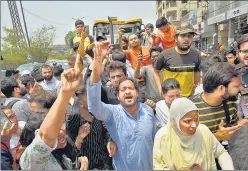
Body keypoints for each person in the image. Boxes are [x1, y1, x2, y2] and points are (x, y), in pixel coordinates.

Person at [87, 41, 156, 170]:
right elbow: (94, 107)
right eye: (123, 90)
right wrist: (95, 74)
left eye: (130, 88)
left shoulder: (148, 111)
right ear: (117, 96)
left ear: (137, 93)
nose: (127, 91)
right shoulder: (113, 112)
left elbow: (153, 139)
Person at [20, 68, 88, 170]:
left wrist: (79, 162)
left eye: (61, 125)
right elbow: (46, 136)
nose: (61, 131)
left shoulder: (60, 149)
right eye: (55, 128)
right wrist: (65, 93)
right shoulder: (32, 160)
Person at [153, 97, 234, 170]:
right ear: (175, 120)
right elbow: (158, 166)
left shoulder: (203, 131)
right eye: (188, 121)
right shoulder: (163, 136)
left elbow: (221, 153)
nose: (194, 125)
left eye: (196, 119)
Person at [190, 62, 247, 141]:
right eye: (237, 86)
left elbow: (230, 127)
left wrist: (239, 125)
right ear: (221, 89)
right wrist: (217, 137)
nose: (241, 88)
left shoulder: (230, 103)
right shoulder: (190, 108)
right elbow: (185, 142)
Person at [67, 86, 117, 170]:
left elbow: (105, 131)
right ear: (80, 103)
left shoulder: (97, 112)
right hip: (89, 166)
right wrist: (79, 138)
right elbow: (70, 149)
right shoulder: (74, 118)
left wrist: (110, 140)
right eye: (90, 99)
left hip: (106, 164)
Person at [154, 22, 201, 97]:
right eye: (183, 36)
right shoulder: (165, 55)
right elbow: (156, 72)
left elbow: (196, 71)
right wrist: (159, 87)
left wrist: (197, 88)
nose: (186, 39)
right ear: (175, 38)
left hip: (189, 97)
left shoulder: (196, 54)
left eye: (189, 36)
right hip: (170, 98)